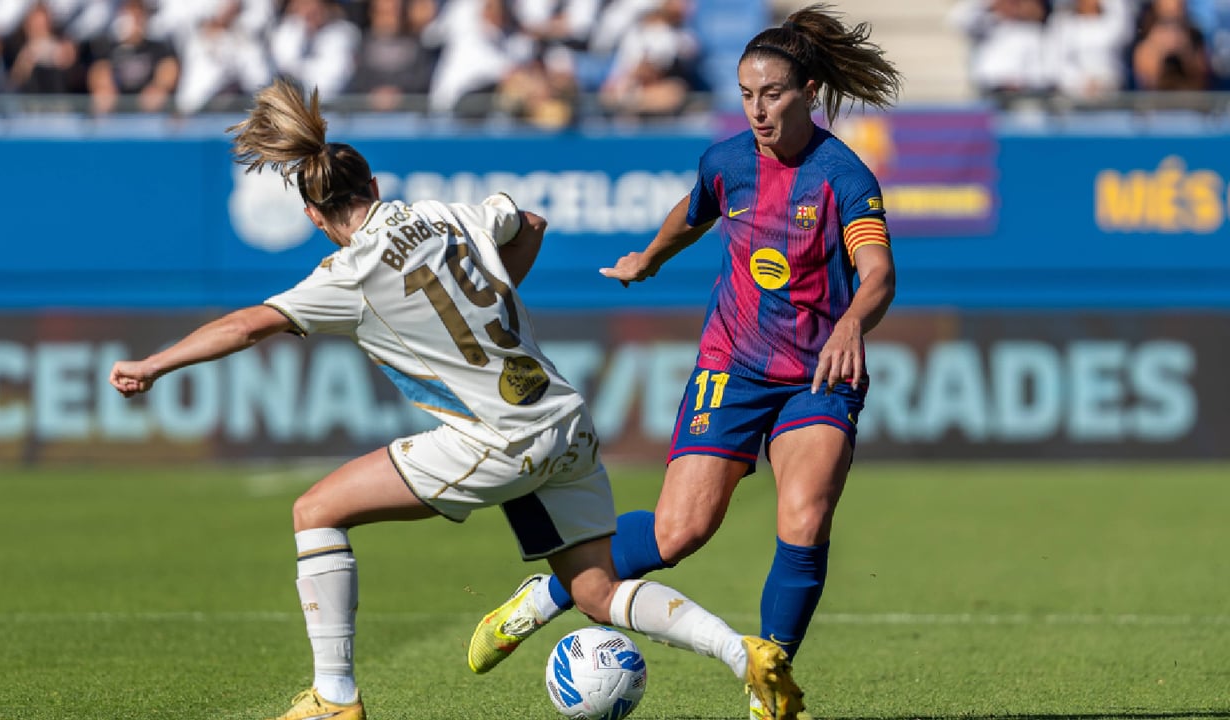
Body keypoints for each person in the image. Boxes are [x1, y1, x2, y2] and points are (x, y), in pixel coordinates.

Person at [108, 77, 807, 720]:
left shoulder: (348, 272)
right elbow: (530, 222)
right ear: (375, 185)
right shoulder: (443, 214)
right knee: (594, 591)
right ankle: (742, 652)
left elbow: (246, 324)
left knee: (315, 510)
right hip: (563, 419)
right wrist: (499, 295)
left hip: (496, 437)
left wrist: (155, 364)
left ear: (316, 216)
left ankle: (334, 697)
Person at [467, 4, 900, 719]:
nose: (758, 110)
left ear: (809, 94)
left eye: (774, 94)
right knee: (678, 533)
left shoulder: (843, 176)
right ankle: (547, 592)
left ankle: (769, 686)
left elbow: (878, 271)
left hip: (819, 373)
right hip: (732, 364)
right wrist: (649, 257)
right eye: (747, 95)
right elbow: (694, 210)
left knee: (805, 515)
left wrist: (854, 320)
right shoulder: (727, 161)